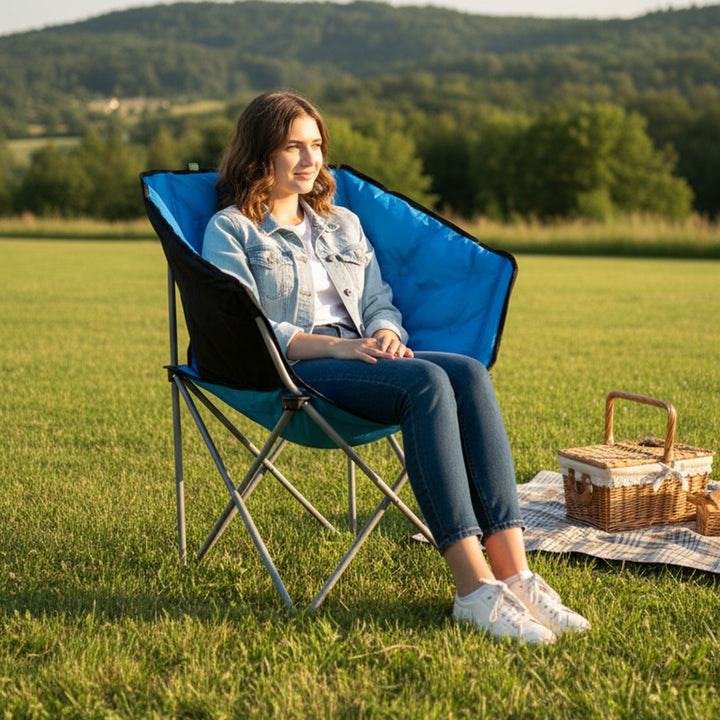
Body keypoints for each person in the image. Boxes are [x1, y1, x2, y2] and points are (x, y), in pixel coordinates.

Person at [202, 90, 590, 644]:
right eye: (294, 147)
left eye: (316, 145)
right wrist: (338, 348)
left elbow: (379, 299)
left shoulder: (342, 224)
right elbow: (247, 330)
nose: (310, 160)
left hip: (365, 352)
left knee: (468, 372)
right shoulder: (232, 230)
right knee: (429, 384)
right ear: (260, 154)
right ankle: (473, 590)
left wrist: (385, 331)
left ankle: (516, 574)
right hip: (297, 368)